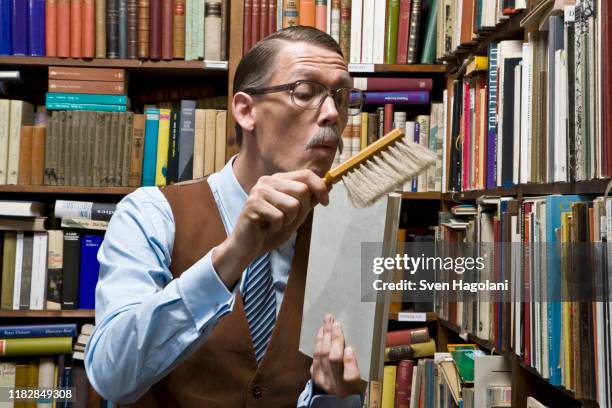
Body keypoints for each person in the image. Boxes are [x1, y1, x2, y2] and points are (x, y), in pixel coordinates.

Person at [84, 26, 367, 407]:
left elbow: (341, 391)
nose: (333, 113)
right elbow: (111, 377)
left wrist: (329, 394)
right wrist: (232, 255)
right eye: (305, 92)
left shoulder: (347, 234)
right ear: (246, 111)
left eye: (342, 96)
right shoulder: (150, 214)